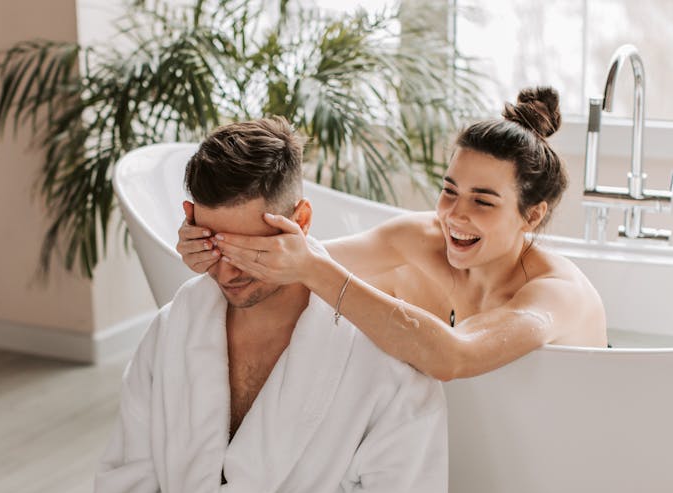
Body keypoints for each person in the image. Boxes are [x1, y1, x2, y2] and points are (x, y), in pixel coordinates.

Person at [91, 117, 448, 493]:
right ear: (190, 220)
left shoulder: (382, 359)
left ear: (299, 220)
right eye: (215, 245)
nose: (229, 273)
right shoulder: (173, 333)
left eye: (251, 250)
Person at [177, 87, 607, 381]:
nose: (454, 216)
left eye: (483, 201)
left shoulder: (555, 295)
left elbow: (454, 357)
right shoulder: (420, 239)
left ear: (531, 216)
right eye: (449, 191)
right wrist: (212, 247)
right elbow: (291, 263)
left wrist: (312, 269)